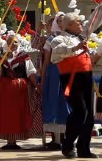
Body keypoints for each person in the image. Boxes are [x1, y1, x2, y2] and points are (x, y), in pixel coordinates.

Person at [50, 0, 102, 159]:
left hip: (86, 76)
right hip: (71, 79)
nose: (81, 24)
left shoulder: (82, 35)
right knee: (79, 111)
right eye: (78, 22)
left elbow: (93, 20)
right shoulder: (59, 38)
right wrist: (76, 47)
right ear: (68, 24)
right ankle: (68, 145)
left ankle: (84, 149)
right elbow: (57, 53)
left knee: (89, 114)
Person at [0, 33, 42, 150]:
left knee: (19, 114)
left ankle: (15, 140)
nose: (12, 45)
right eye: (9, 42)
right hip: (5, 93)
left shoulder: (24, 57)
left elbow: (31, 73)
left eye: (15, 42)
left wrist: (36, 86)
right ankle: (9, 141)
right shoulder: (2, 58)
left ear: (19, 43)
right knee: (7, 115)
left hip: (20, 92)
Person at [41, 13, 69, 151]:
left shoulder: (71, 38)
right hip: (54, 74)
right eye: (60, 21)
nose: (63, 23)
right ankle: (56, 140)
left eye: (65, 21)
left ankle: (67, 138)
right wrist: (43, 78)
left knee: (67, 103)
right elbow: (46, 62)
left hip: (68, 72)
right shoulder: (50, 40)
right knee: (54, 103)